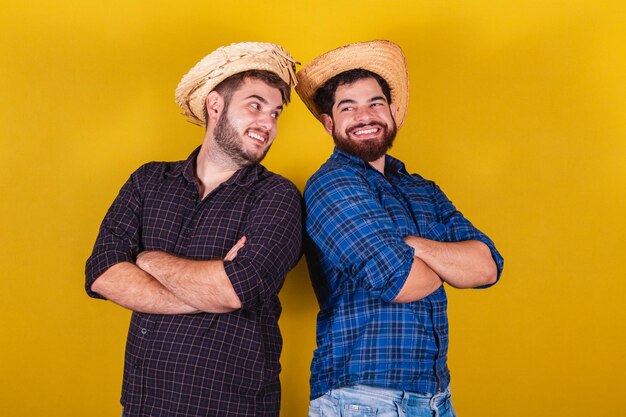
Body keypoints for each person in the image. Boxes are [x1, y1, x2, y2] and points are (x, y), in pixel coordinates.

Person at [85, 42, 303, 417]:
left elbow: (238, 289)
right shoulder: (149, 181)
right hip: (143, 403)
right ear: (215, 105)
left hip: (232, 406)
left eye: (275, 113)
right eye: (255, 105)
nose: (267, 123)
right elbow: (102, 273)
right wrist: (208, 290)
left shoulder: (277, 196)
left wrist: (147, 259)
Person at [295, 40, 504, 417]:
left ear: (392, 112)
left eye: (375, 103)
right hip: (362, 399)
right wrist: (444, 259)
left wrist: (411, 244)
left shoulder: (421, 188)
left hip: (436, 396)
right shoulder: (332, 185)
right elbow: (404, 282)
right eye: (349, 107)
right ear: (329, 123)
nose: (365, 115)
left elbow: (485, 267)